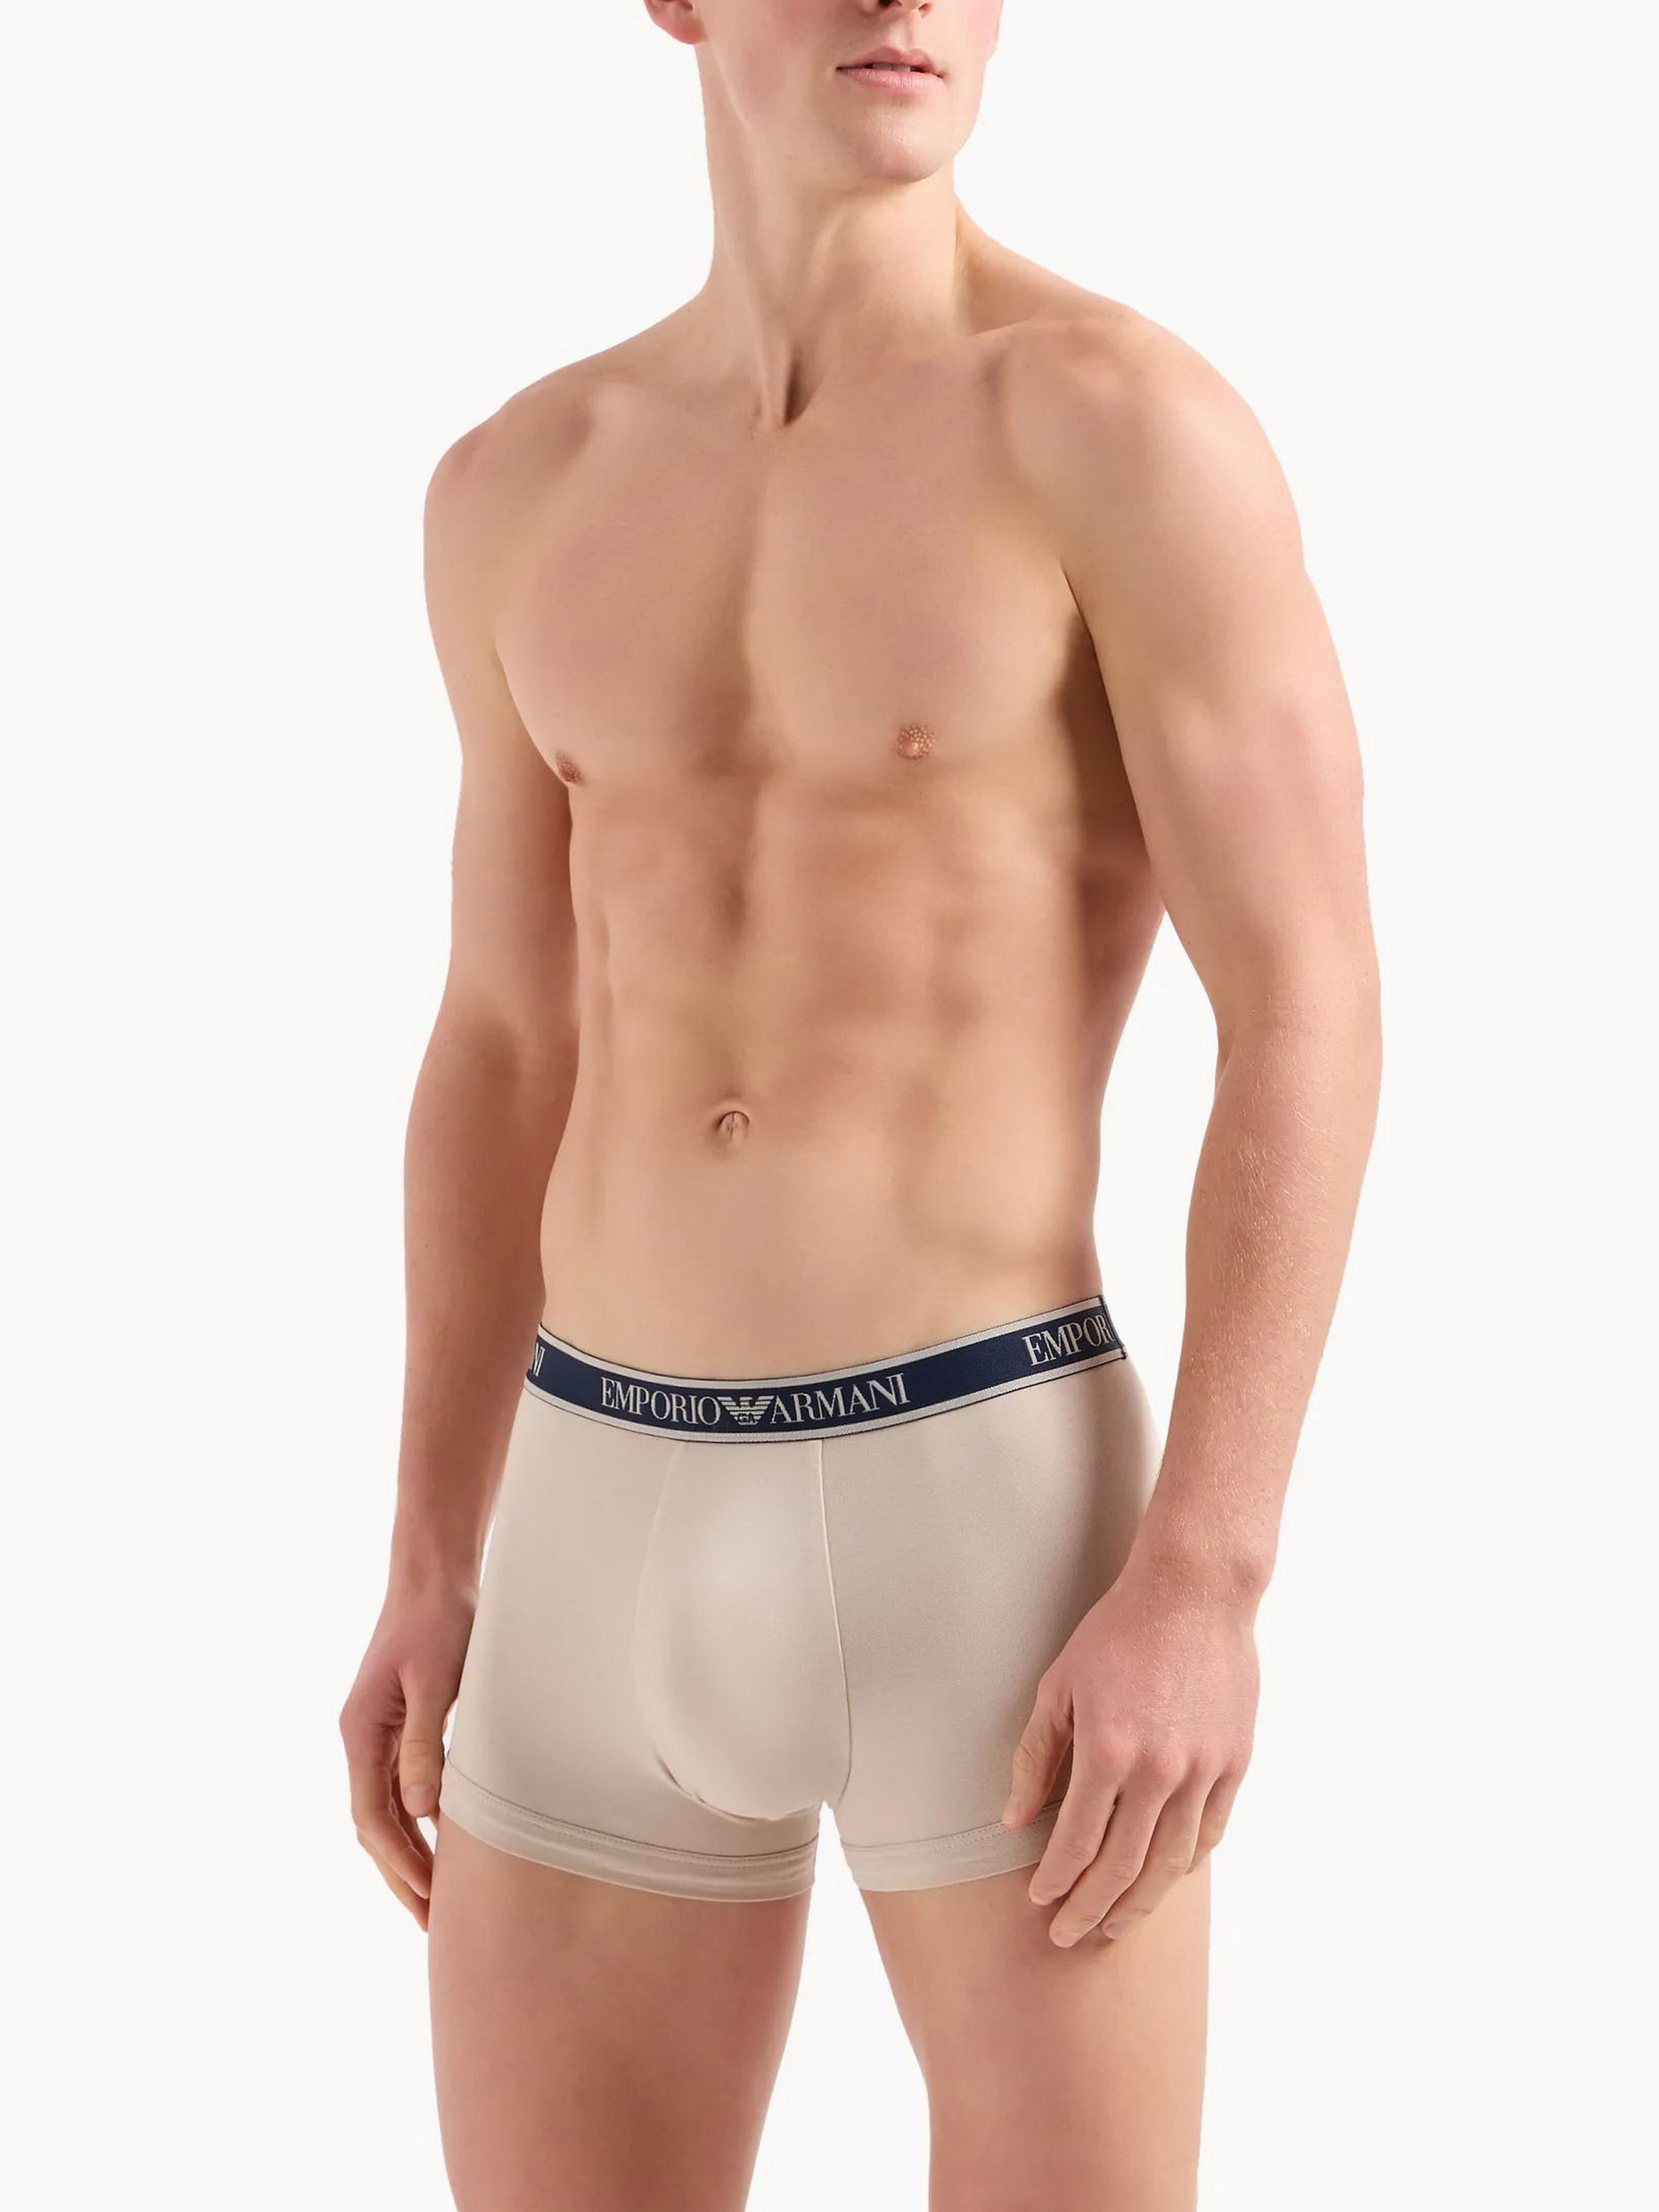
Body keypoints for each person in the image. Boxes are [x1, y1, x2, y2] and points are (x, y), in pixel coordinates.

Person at [339, 2, 1381, 2205]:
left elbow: (1305, 1002)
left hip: (987, 1516)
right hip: (592, 1512)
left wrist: (1205, 1575)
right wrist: (431, 1542)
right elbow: (505, 1037)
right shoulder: (521, 480)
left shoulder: (1114, 426)